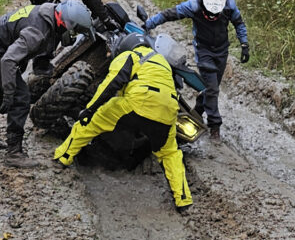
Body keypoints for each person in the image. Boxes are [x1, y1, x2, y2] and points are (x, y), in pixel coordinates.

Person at [54, 32, 192, 210]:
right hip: (169, 111)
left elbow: (111, 84)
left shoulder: (131, 56)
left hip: (138, 102)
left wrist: (89, 109)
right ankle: (183, 200)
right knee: (170, 153)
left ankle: (62, 157)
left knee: (90, 123)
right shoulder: (163, 63)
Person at [0, 0, 95, 167]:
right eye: (75, 31)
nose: (74, 34)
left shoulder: (51, 15)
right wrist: (9, 92)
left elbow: (45, 45)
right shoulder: (37, 32)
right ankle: (13, 153)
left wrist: (44, 65)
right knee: (20, 97)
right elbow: (9, 60)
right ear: (66, 23)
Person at [144, 0, 249, 141]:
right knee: (213, 88)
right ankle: (215, 126)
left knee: (210, 87)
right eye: (209, 13)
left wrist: (244, 44)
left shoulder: (230, 5)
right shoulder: (192, 6)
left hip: (222, 51)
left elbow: (239, 24)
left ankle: (197, 112)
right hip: (203, 50)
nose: (213, 16)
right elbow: (168, 14)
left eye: (216, 13)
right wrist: (148, 24)